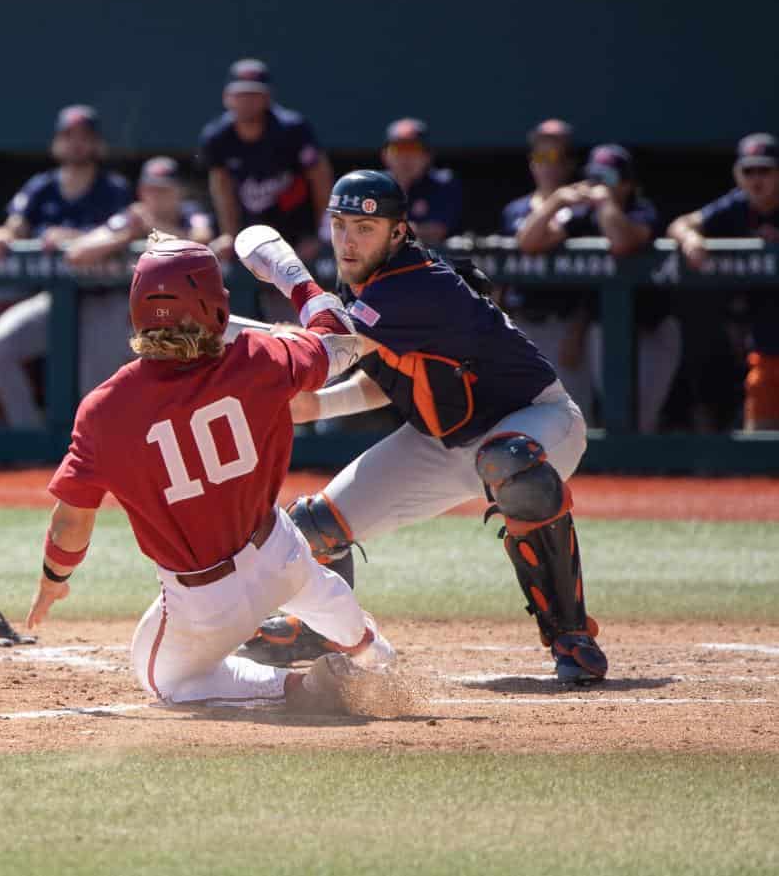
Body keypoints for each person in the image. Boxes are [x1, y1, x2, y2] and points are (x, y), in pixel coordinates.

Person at [237, 170, 608, 685]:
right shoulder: (362, 281)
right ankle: (322, 629)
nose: (349, 240)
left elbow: (335, 348)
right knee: (312, 531)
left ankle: (572, 635)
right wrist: (316, 408)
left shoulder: (418, 283)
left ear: (397, 232)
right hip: (444, 439)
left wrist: (283, 340)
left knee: (509, 463)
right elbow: (388, 375)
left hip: (534, 421)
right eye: (340, 225)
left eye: (365, 228)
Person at [25, 236, 395, 707]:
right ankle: (375, 658)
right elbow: (338, 339)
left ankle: (296, 688)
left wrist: (53, 582)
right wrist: (293, 280)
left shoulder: (104, 409)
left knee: (164, 681)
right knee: (326, 597)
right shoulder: (262, 357)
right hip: (280, 553)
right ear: (214, 305)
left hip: (204, 602)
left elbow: (71, 521)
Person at [0, 105, 134, 428]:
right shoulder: (41, 187)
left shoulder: (114, 189)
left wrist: (71, 237)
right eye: (69, 136)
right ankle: (29, 436)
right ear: (57, 143)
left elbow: (125, 232)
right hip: (55, 300)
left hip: (103, 299)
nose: (77, 144)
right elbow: (15, 226)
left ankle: (98, 462)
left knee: (94, 391)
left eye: (84, 137)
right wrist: (2, 236)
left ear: (97, 144)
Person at [510, 143, 678, 433]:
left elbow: (622, 241)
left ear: (628, 184)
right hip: (606, 327)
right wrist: (558, 202)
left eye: (608, 178)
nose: (599, 186)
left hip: (654, 327)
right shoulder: (582, 216)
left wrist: (606, 203)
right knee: (611, 409)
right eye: (594, 178)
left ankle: (647, 473)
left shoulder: (641, 210)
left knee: (644, 415)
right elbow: (528, 242)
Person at [669, 133, 779, 431]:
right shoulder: (738, 204)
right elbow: (680, 224)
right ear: (738, 175)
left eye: (765, 170)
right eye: (749, 171)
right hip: (766, 340)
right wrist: (691, 238)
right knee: (762, 434)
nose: (757, 179)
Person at [499, 119, 595, 415]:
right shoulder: (516, 209)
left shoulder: (581, 206)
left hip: (565, 324)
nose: (547, 165)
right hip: (522, 324)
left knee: (573, 416)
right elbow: (505, 272)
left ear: (569, 164)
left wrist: (577, 332)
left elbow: (532, 241)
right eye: (541, 157)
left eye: (555, 157)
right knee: (519, 415)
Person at [197, 58, 333, 265]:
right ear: (227, 97)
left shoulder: (292, 130)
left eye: (254, 94)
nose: (247, 101)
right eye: (240, 94)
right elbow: (221, 187)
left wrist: (318, 235)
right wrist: (230, 235)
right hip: (249, 232)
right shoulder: (217, 137)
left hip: (296, 231)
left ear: (267, 97)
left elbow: (321, 180)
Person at [61, 157, 214, 266]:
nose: (156, 196)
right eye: (150, 189)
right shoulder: (132, 217)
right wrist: (125, 237)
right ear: (141, 191)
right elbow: (75, 254)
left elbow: (202, 240)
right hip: (127, 297)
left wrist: (153, 225)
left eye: (163, 190)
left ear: (179, 192)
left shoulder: (190, 211)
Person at [379, 117, 464, 245]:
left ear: (427, 156)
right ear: (385, 155)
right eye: (399, 149)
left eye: (413, 149)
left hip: (431, 260)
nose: (405, 157)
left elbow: (435, 231)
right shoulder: (374, 184)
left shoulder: (443, 183)